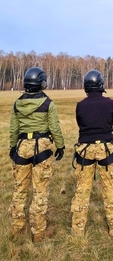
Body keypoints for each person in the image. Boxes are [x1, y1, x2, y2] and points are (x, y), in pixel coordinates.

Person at [9, 67, 65, 243]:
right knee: (39, 191)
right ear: (42, 83)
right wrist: (61, 145)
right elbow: (54, 127)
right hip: (41, 148)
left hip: (22, 147)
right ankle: (38, 232)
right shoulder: (48, 104)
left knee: (20, 189)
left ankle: (17, 229)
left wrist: (12, 147)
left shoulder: (17, 104)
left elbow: (14, 129)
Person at [71, 70, 113, 237]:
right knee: (109, 188)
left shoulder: (80, 105)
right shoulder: (110, 103)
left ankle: (78, 229)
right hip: (105, 148)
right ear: (101, 85)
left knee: (82, 189)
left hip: (85, 149)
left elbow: (80, 123)